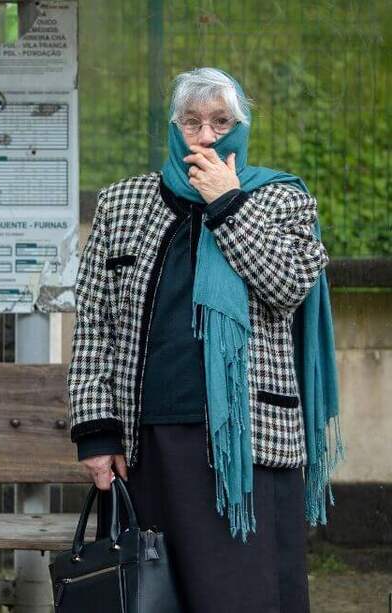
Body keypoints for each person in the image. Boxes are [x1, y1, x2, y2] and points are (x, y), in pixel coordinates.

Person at [67, 67, 340, 612]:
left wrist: (228, 204)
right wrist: (96, 436)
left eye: (221, 121)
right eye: (192, 122)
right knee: (155, 597)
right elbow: (94, 325)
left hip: (250, 445)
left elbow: (287, 286)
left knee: (243, 596)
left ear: (242, 127)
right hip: (151, 445)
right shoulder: (122, 204)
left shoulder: (281, 200)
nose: (207, 136)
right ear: (174, 128)